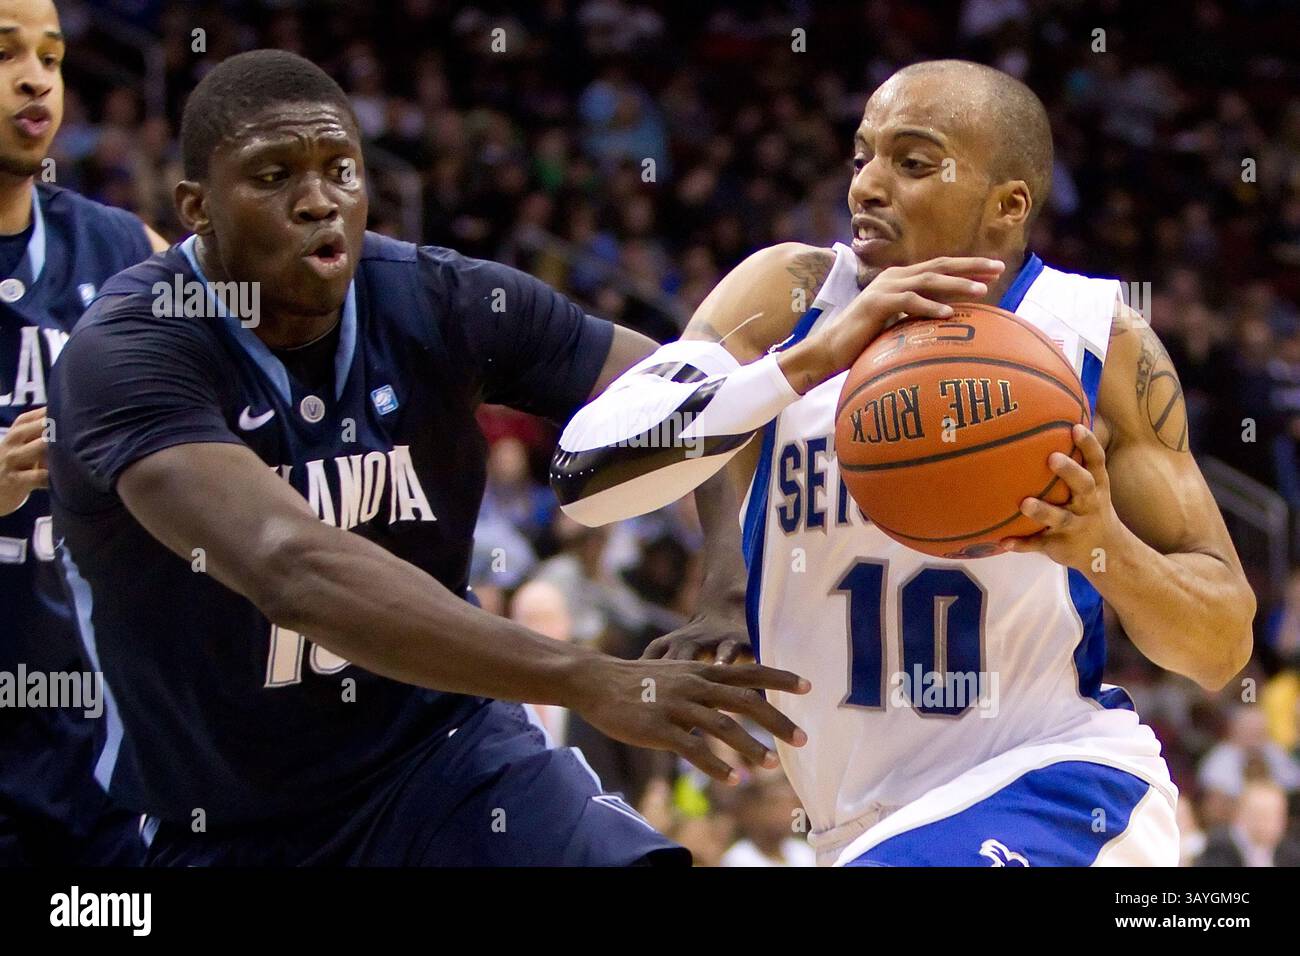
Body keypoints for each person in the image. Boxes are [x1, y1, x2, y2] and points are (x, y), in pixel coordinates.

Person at [46, 50, 808, 867]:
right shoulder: (129, 349)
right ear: (196, 206)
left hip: (446, 757)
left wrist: (727, 585)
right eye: (274, 177)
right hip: (227, 820)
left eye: (341, 170)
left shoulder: (440, 298)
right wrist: (590, 679)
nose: (318, 202)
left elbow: (687, 393)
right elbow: (292, 570)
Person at [552, 60, 1256, 866]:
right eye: (862, 157)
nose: (867, 186)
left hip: (1053, 787)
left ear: (1008, 206)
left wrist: (1102, 544)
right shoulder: (792, 295)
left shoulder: (1097, 338)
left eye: (912, 163)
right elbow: (584, 475)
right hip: (853, 828)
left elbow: (1221, 646)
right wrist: (805, 368)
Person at [0, 0, 167, 865]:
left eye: (53, 57)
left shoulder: (120, 254)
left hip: (102, 755)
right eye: (5, 52)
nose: (36, 78)